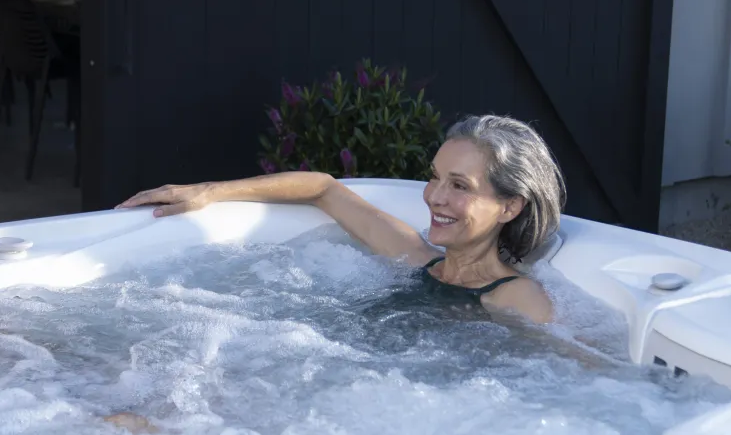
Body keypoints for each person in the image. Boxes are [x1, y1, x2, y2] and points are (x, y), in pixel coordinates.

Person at [117, 114, 566, 325]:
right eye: (434, 178)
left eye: (460, 186)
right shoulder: (416, 257)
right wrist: (208, 192)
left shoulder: (517, 296)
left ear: (510, 207)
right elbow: (324, 189)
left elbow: (573, 374)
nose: (434, 197)